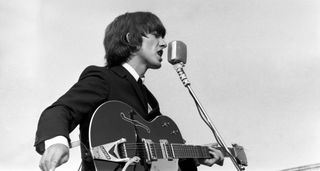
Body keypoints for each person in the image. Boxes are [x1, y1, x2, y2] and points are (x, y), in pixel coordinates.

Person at [34, 11, 224, 171]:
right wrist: (56, 142)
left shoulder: (150, 99)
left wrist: (194, 157)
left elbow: (159, 154)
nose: (164, 43)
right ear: (131, 39)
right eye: (156, 35)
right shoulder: (104, 78)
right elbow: (60, 110)